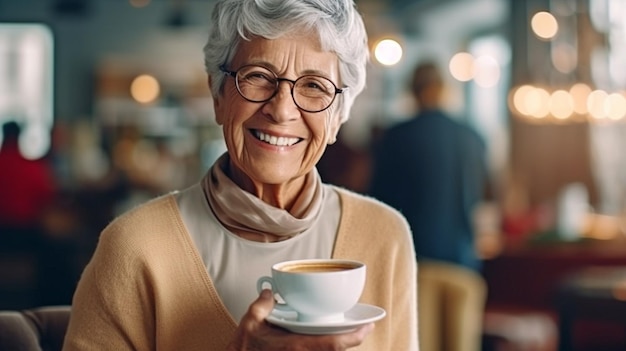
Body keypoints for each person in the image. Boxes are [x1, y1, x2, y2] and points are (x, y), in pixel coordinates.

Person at [62, 0, 418, 350]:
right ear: (218, 95)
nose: (281, 110)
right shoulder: (134, 247)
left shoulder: (384, 236)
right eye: (258, 77)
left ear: (338, 117)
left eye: (314, 86)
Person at [368, 61, 489, 351]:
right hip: (465, 263)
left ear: (412, 90)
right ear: (443, 89)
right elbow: (485, 200)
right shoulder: (472, 136)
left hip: (415, 264)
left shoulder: (396, 137)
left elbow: (377, 203)